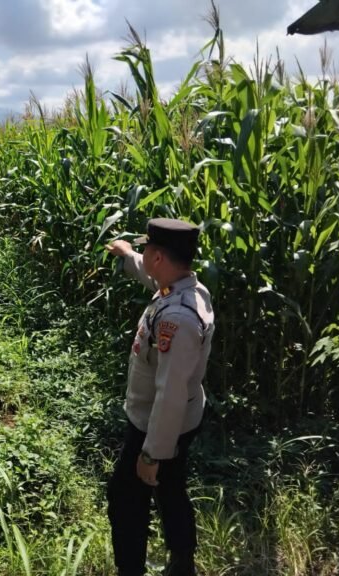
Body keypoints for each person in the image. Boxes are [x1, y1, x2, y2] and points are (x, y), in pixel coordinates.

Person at [105, 218, 215, 576]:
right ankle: (183, 563)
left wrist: (151, 453)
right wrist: (126, 252)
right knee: (170, 489)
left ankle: (131, 570)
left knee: (125, 498)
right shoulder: (182, 286)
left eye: (147, 250)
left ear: (159, 258)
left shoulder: (178, 319)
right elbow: (148, 273)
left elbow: (169, 394)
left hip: (158, 425)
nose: (145, 256)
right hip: (181, 419)